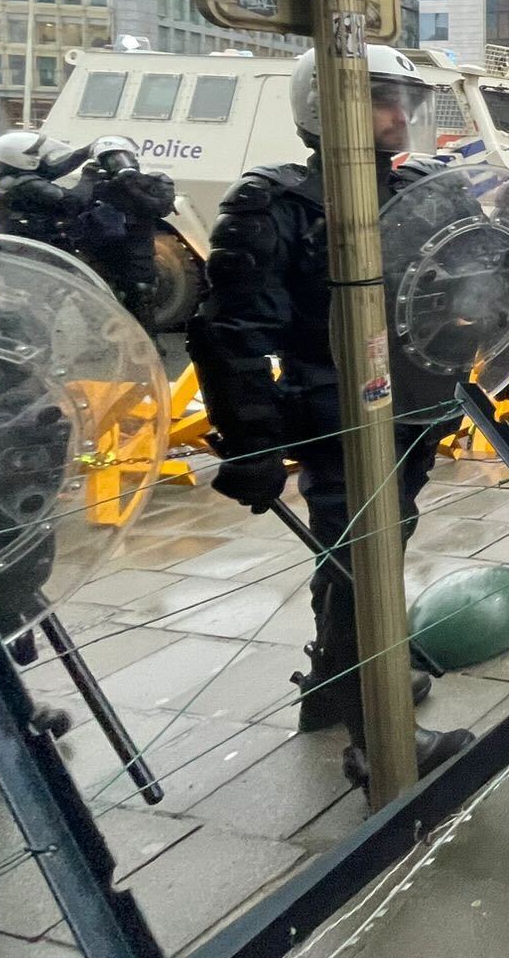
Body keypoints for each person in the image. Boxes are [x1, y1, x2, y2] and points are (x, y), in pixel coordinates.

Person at [189, 46, 472, 785]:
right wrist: (251, 445)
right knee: (361, 560)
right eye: (381, 99)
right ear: (327, 104)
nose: (398, 115)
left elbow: (467, 295)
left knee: (380, 541)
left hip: (410, 404)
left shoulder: (419, 191)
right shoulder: (274, 203)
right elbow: (232, 333)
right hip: (333, 408)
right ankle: (376, 740)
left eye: (403, 100)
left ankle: (331, 680)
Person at [73, 137, 176, 334]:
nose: (117, 162)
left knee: (141, 295)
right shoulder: (98, 183)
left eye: (120, 157)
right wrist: (88, 179)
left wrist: (129, 183)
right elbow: (74, 204)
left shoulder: (151, 182)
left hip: (137, 252)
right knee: (96, 298)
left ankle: (146, 343)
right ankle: (100, 341)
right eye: (109, 159)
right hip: (103, 251)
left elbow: (160, 207)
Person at [0, 132, 92, 251]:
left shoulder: (9, 174)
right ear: (18, 156)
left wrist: (85, 152)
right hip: (35, 247)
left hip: (18, 238)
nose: (39, 156)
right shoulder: (28, 184)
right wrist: (90, 177)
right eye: (33, 152)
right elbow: (75, 202)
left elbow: (51, 170)